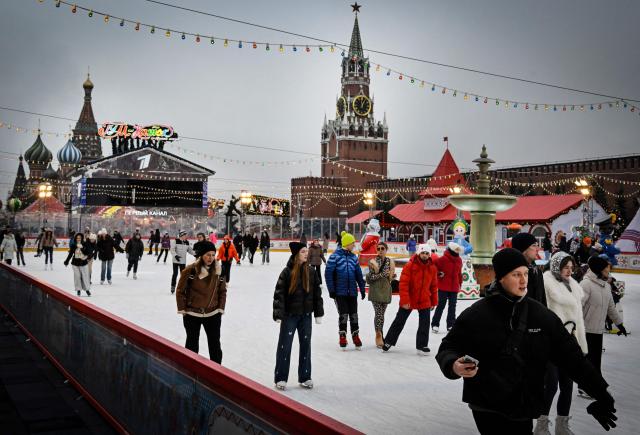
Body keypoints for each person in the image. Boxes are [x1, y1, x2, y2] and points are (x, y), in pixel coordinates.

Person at [436, 248, 619, 435]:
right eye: (516, 275)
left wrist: (602, 394)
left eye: (525, 273)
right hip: (486, 403)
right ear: (501, 278)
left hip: (523, 404)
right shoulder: (477, 313)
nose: (524, 281)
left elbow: (572, 358)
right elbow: (449, 346)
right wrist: (453, 364)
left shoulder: (540, 315)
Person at [535, 251, 588, 434]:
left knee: (568, 385)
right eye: (566, 267)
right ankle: (541, 424)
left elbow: (579, 318)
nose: (569, 271)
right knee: (551, 384)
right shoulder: (546, 282)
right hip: (552, 342)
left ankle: (562, 425)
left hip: (570, 342)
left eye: (571, 268)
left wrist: (581, 343)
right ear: (557, 266)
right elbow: (541, 312)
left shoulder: (573, 285)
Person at [273, 242, 324, 390]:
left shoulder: (311, 272)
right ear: (296, 254)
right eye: (303, 252)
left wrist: (318, 313)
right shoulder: (287, 272)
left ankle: (305, 376)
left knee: (306, 345)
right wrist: (278, 314)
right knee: (285, 345)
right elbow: (279, 294)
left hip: (306, 315)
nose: (306, 254)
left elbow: (317, 295)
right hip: (290, 316)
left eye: (306, 252)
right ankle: (281, 378)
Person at [579, 255, 628, 398]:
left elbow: (611, 307)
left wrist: (619, 324)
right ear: (599, 269)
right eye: (607, 268)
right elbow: (577, 307)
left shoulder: (605, 286)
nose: (609, 270)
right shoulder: (586, 285)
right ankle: (585, 387)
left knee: (596, 361)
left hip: (598, 329)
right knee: (589, 362)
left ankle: (595, 386)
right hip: (586, 329)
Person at [383, 243, 438, 355]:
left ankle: (422, 345)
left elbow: (434, 286)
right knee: (400, 320)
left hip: (424, 299)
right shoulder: (410, 265)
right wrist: (405, 300)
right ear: (419, 253)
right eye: (423, 252)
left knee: (425, 323)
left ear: (429, 255)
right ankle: (388, 341)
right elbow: (403, 284)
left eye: (427, 253)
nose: (425, 255)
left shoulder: (432, 268)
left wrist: (434, 301)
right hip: (410, 298)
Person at [176, 241, 226, 363]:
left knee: (215, 346)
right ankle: (191, 371)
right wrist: (183, 309)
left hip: (213, 314)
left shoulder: (219, 270)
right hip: (192, 314)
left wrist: (220, 308)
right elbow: (180, 290)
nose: (211, 258)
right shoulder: (190, 270)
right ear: (201, 255)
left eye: (213, 255)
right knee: (192, 345)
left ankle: (216, 372)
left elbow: (222, 291)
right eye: (208, 255)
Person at [325, 230, 366, 349]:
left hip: (352, 292)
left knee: (354, 314)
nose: (354, 245)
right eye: (352, 243)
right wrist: (331, 290)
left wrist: (362, 289)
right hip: (340, 292)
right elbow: (328, 274)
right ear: (347, 244)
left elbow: (358, 274)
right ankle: (342, 336)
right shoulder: (335, 257)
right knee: (343, 314)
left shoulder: (354, 258)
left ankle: (355, 335)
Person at [366, 241, 395, 348]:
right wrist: (382, 274)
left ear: (386, 250)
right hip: (376, 290)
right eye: (378, 249)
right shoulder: (372, 262)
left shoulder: (390, 262)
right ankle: (378, 335)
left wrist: (392, 275)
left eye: (382, 248)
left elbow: (390, 278)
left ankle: (380, 333)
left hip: (385, 290)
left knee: (382, 314)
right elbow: (370, 278)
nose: (380, 250)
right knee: (379, 314)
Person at [432, 242, 463, 334]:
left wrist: (460, 283)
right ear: (452, 249)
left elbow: (459, 274)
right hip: (443, 286)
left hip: (454, 287)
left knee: (452, 307)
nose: (458, 251)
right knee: (441, 305)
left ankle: (451, 324)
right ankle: (435, 324)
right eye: (456, 249)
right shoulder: (443, 259)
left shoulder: (459, 260)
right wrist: (438, 273)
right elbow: (433, 267)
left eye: (458, 249)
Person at [512, 232, 547, 306]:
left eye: (537, 246)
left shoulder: (537, 271)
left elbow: (542, 299)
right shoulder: (513, 272)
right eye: (534, 246)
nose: (537, 249)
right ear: (523, 249)